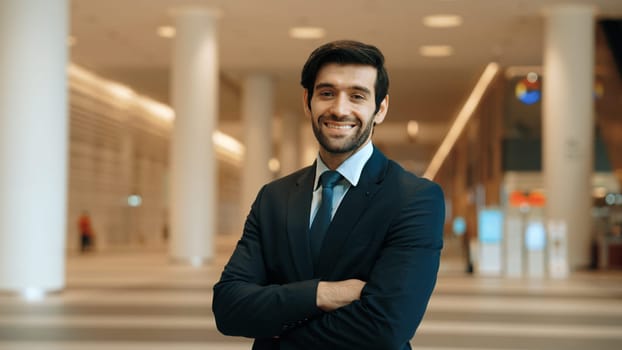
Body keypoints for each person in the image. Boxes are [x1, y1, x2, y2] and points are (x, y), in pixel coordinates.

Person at [212, 40, 445, 350]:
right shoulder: (274, 197)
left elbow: (387, 326)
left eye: (357, 96)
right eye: (327, 93)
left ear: (381, 108)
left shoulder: (415, 199)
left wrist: (276, 336)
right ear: (307, 101)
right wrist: (324, 293)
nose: (339, 109)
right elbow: (229, 307)